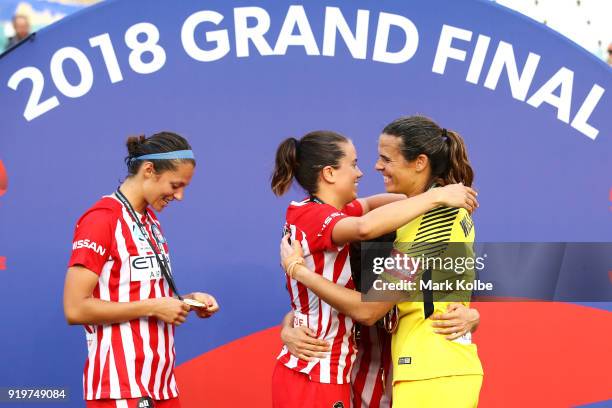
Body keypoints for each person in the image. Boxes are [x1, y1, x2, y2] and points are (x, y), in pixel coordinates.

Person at [280, 116, 484, 408]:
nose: (375, 167)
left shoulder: (433, 220)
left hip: (432, 372)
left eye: (386, 159)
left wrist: (297, 269)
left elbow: (370, 308)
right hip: (410, 371)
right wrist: (291, 324)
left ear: (419, 162)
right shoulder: (404, 218)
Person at [63, 132, 219, 408]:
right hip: (121, 387)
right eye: (175, 184)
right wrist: (154, 307)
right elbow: (75, 309)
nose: (180, 196)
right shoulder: (101, 219)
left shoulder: (150, 222)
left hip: (161, 383)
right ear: (149, 170)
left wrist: (186, 301)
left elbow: (136, 292)